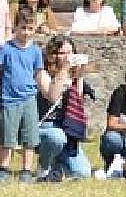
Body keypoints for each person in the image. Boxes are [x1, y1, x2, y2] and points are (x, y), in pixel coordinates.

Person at [0, 11, 47, 184]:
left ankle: (26, 169)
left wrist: (48, 92)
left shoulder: (36, 51)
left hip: (29, 98)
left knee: (30, 138)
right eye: (23, 28)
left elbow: (38, 74)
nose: (26, 32)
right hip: (9, 99)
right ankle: (4, 168)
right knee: (8, 137)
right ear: (15, 27)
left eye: (30, 28)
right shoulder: (5, 49)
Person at [36, 35, 94, 182]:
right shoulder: (42, 73)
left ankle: (58, 166)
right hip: (46, 125)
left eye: (71, 53)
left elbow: (78, 102)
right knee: (56, 137)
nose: (69, 57)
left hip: (66, 126)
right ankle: (44, 168)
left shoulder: (72, 75)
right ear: (53, 55)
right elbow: (53, 96)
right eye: (64, 53)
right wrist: (63, 70)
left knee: (83, 173)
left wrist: (79, 76)